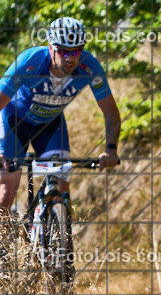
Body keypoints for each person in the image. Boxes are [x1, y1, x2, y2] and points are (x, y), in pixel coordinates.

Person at [0, 16, 121, 213]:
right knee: (7, 191)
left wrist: (111, 149)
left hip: (50, 125)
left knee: (62, 190)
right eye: (63, 51)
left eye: (76, 51)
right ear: (50, 47)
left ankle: (54, 233)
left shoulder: (89, 67)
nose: (70, 58)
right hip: (14, 121)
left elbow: (111, 114)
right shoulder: (29, 62)